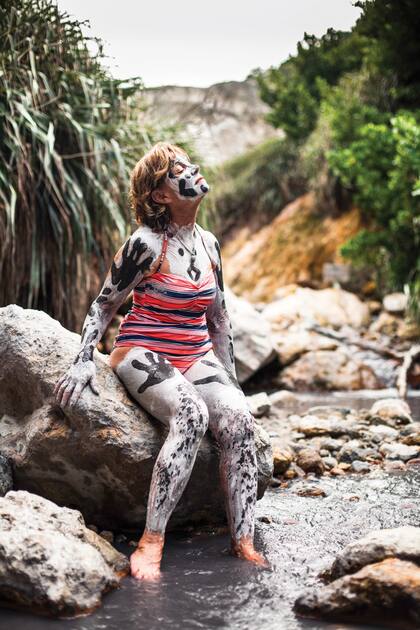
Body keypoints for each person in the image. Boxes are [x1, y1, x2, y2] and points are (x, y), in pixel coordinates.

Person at [54, 142, 268, 580]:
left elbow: (219, 317)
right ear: (159, 195)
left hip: (196, 354)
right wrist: (82, 360)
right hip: (142, 350)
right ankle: (152, 540)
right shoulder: (145, 243)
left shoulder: (209, 243)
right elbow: (102, 306)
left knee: (240, 421)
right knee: (189, 413)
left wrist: (232, 382)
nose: (193, 170)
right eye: (179, 169)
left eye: (190, 163)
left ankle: (242, 540)